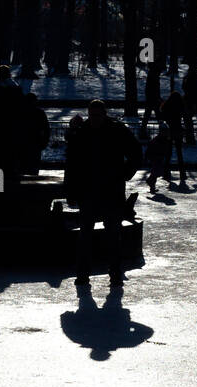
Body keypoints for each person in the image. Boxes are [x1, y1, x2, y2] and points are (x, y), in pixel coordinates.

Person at [65, 99, 142, 290]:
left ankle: (107, 274)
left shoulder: (96, 131)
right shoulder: (106, 131)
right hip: (99, 190)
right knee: (93, 235)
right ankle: (94, 274)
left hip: (102, 190)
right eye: (93, 116)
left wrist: (124, 174)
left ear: (103, 115)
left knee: (106, 235)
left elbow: (136, 154)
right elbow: (72, 164)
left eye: (97, 116)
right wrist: (124, 173)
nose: (95, 119)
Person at [159, 90, 187, 183]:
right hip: (178, 130)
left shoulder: (167, 106)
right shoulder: (180, 106)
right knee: (179, 153)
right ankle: (182, 173)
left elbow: (162, 113)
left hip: (169, 131)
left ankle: (166, 172)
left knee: (168, 153)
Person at [22, 92, 49, 174]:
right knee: (33, 168)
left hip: (23, 145)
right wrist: (44, 142)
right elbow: (46, 129)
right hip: (36, 144)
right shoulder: (40, 113)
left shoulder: (21, 113)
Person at [144, 123, 173, 193]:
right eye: (164, 131)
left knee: (156, 171)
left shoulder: (164, 138)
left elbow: (166, 148)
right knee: (156, 171)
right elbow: (152, 148)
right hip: (155, 156)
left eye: (166, 131)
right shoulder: (159, 139)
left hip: (158, 156)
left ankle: (151, 185)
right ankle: (151, 183)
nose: (166, 132)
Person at [141, 64, 162, 129]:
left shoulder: (151, 76)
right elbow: (154, 89)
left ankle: (143, 129)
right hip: (153, 98)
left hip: (151, 98)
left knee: (148, 114)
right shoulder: (154, 77)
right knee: (157, 114)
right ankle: (162, 129)